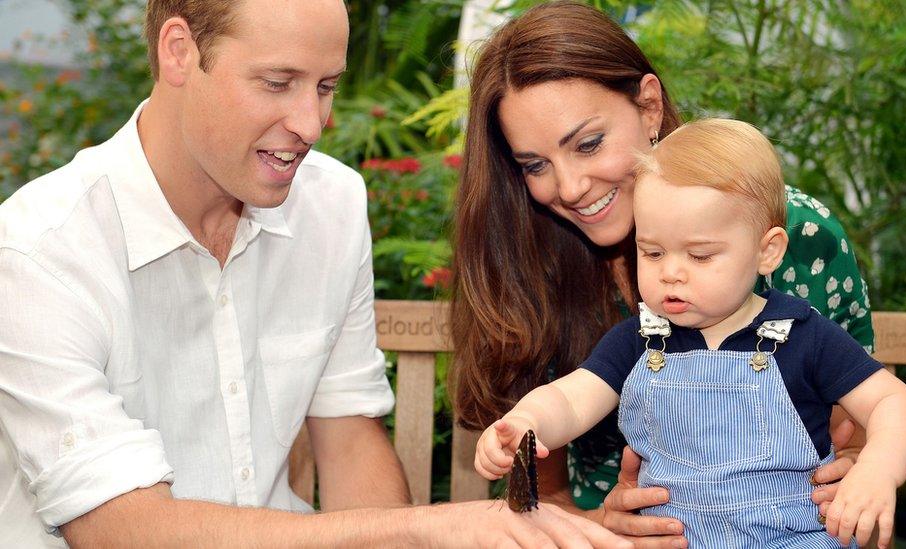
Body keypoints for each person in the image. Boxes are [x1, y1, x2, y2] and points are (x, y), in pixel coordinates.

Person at [0, 1, 630, 547]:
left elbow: (350, 438)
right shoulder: (39, 251)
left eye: (326, 86)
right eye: (278, 83)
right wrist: (425, 529)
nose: (311, 124)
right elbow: (116, 529)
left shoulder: (330, 203)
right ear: (179, 52)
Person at [450, 1, 876, 546]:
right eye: (535, 165)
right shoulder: (530, 264)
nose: (571, 186)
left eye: (587, 143)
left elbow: (865, 413)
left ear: (649, 107)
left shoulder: (792, 233)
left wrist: (862, 466)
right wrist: (608, 527)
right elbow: (537, 498)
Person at [474, 118, 906, 548]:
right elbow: (570, 399)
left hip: (795, 537)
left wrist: (878, 470)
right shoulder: (638, 341)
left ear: (768, 252)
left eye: (701, 256)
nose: (671, 273)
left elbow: (891, 401)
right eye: (652, 252)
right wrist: (527, 424)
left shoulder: (803, 336)